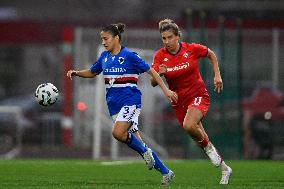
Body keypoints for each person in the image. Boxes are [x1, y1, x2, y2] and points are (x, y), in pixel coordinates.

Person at [67, 23, 177, 186]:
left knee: (118, 133)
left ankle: (146, 152)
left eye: (106, 39)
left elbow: (151, 71)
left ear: (116, 38)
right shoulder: (104, 57)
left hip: (130, 101)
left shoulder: (129, 56)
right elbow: (92, 71)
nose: (103, 42)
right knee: (139, 144)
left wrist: (166, 91)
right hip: (114, 106)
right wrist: (76, 72)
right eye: (102, 39)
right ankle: (166, 172)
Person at [151, 18, 232, 185]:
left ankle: (210, 150)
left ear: (177, 36)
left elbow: (211, 54)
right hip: (179, 101)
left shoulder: (191, 49)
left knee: (189, 125)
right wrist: (160, 73)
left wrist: (217, 75)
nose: (167, 42)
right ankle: (225, 168)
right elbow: (153, 82)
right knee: (197, 134)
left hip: (198, 95)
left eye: (170, 37)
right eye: (164, 38)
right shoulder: (160, 55)